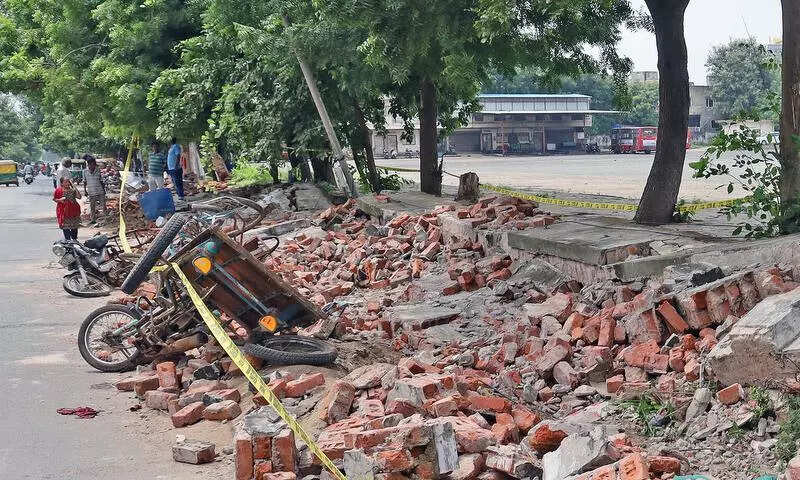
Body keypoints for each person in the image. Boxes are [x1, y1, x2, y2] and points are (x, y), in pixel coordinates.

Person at [82, 155, 106, 226]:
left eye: (92, 164)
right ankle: (93, 220)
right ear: (88, 164)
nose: (91, 166)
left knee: (103, 205)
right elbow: (84, 182)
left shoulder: (98, 170)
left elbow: (101, 181)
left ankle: (105, 218)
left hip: (100, 191)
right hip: (91, 191)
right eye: (90, 164)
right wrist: (85, 191)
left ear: (94, 164)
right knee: (92, 207)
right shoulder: (84, 171)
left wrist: (104, 190)